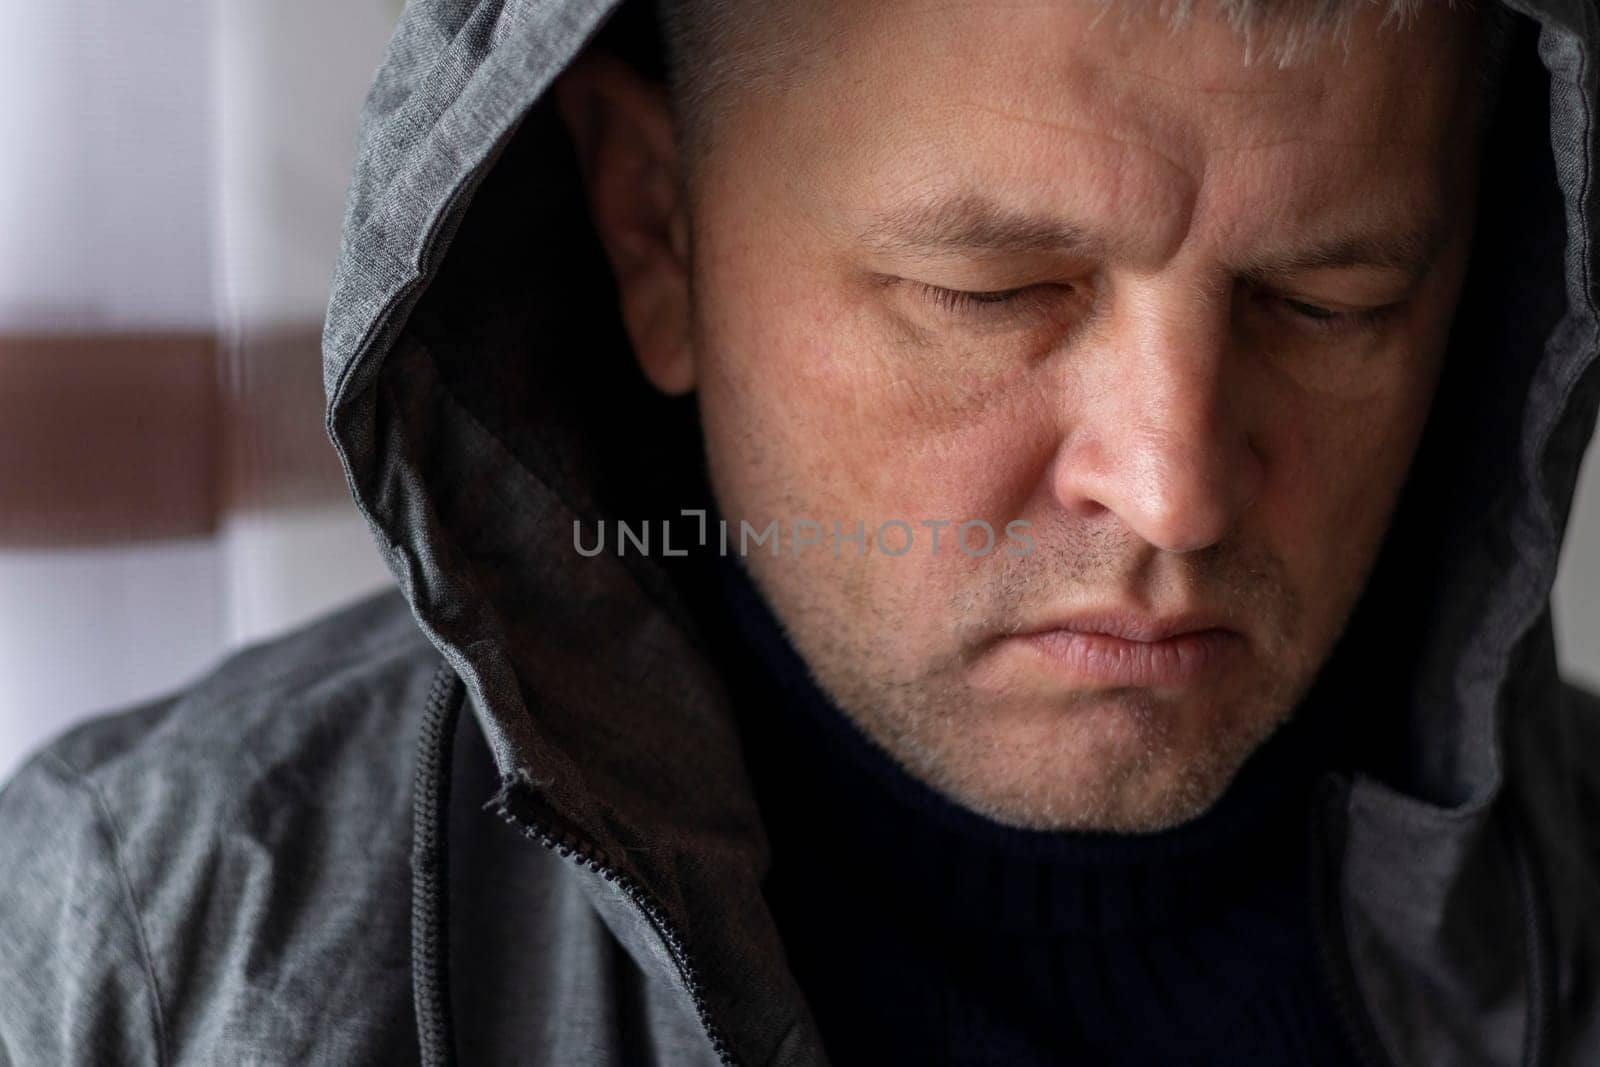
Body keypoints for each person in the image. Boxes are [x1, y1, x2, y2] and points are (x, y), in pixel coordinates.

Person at [2, 0, 1598, 1062]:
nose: (1174, 488)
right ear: (658, 232)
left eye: (1331, 302)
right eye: (989, 295)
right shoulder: (155, 948)